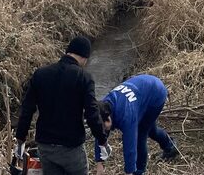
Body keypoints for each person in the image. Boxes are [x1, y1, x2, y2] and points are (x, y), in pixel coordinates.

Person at [15, 36, 108, 175]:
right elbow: (92, 113)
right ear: (84, 57)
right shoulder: (84, 77)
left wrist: (20, 139)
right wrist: (102, 140)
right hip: (72, 148)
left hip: (45, 146)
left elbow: (27, 110)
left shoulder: (40, 74)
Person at [94, 74, 179, 174]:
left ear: (108, 118)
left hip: (156, 93)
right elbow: (100, 134)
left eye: (104, 127)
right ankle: (170, 146)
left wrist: (130, 171)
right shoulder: (101, 108)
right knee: (151, 130)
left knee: (141, 134)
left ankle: (139, 171)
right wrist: (99, 162)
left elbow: (130, 148)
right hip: (142, 89)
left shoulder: (126, 115)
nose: (103, 129)